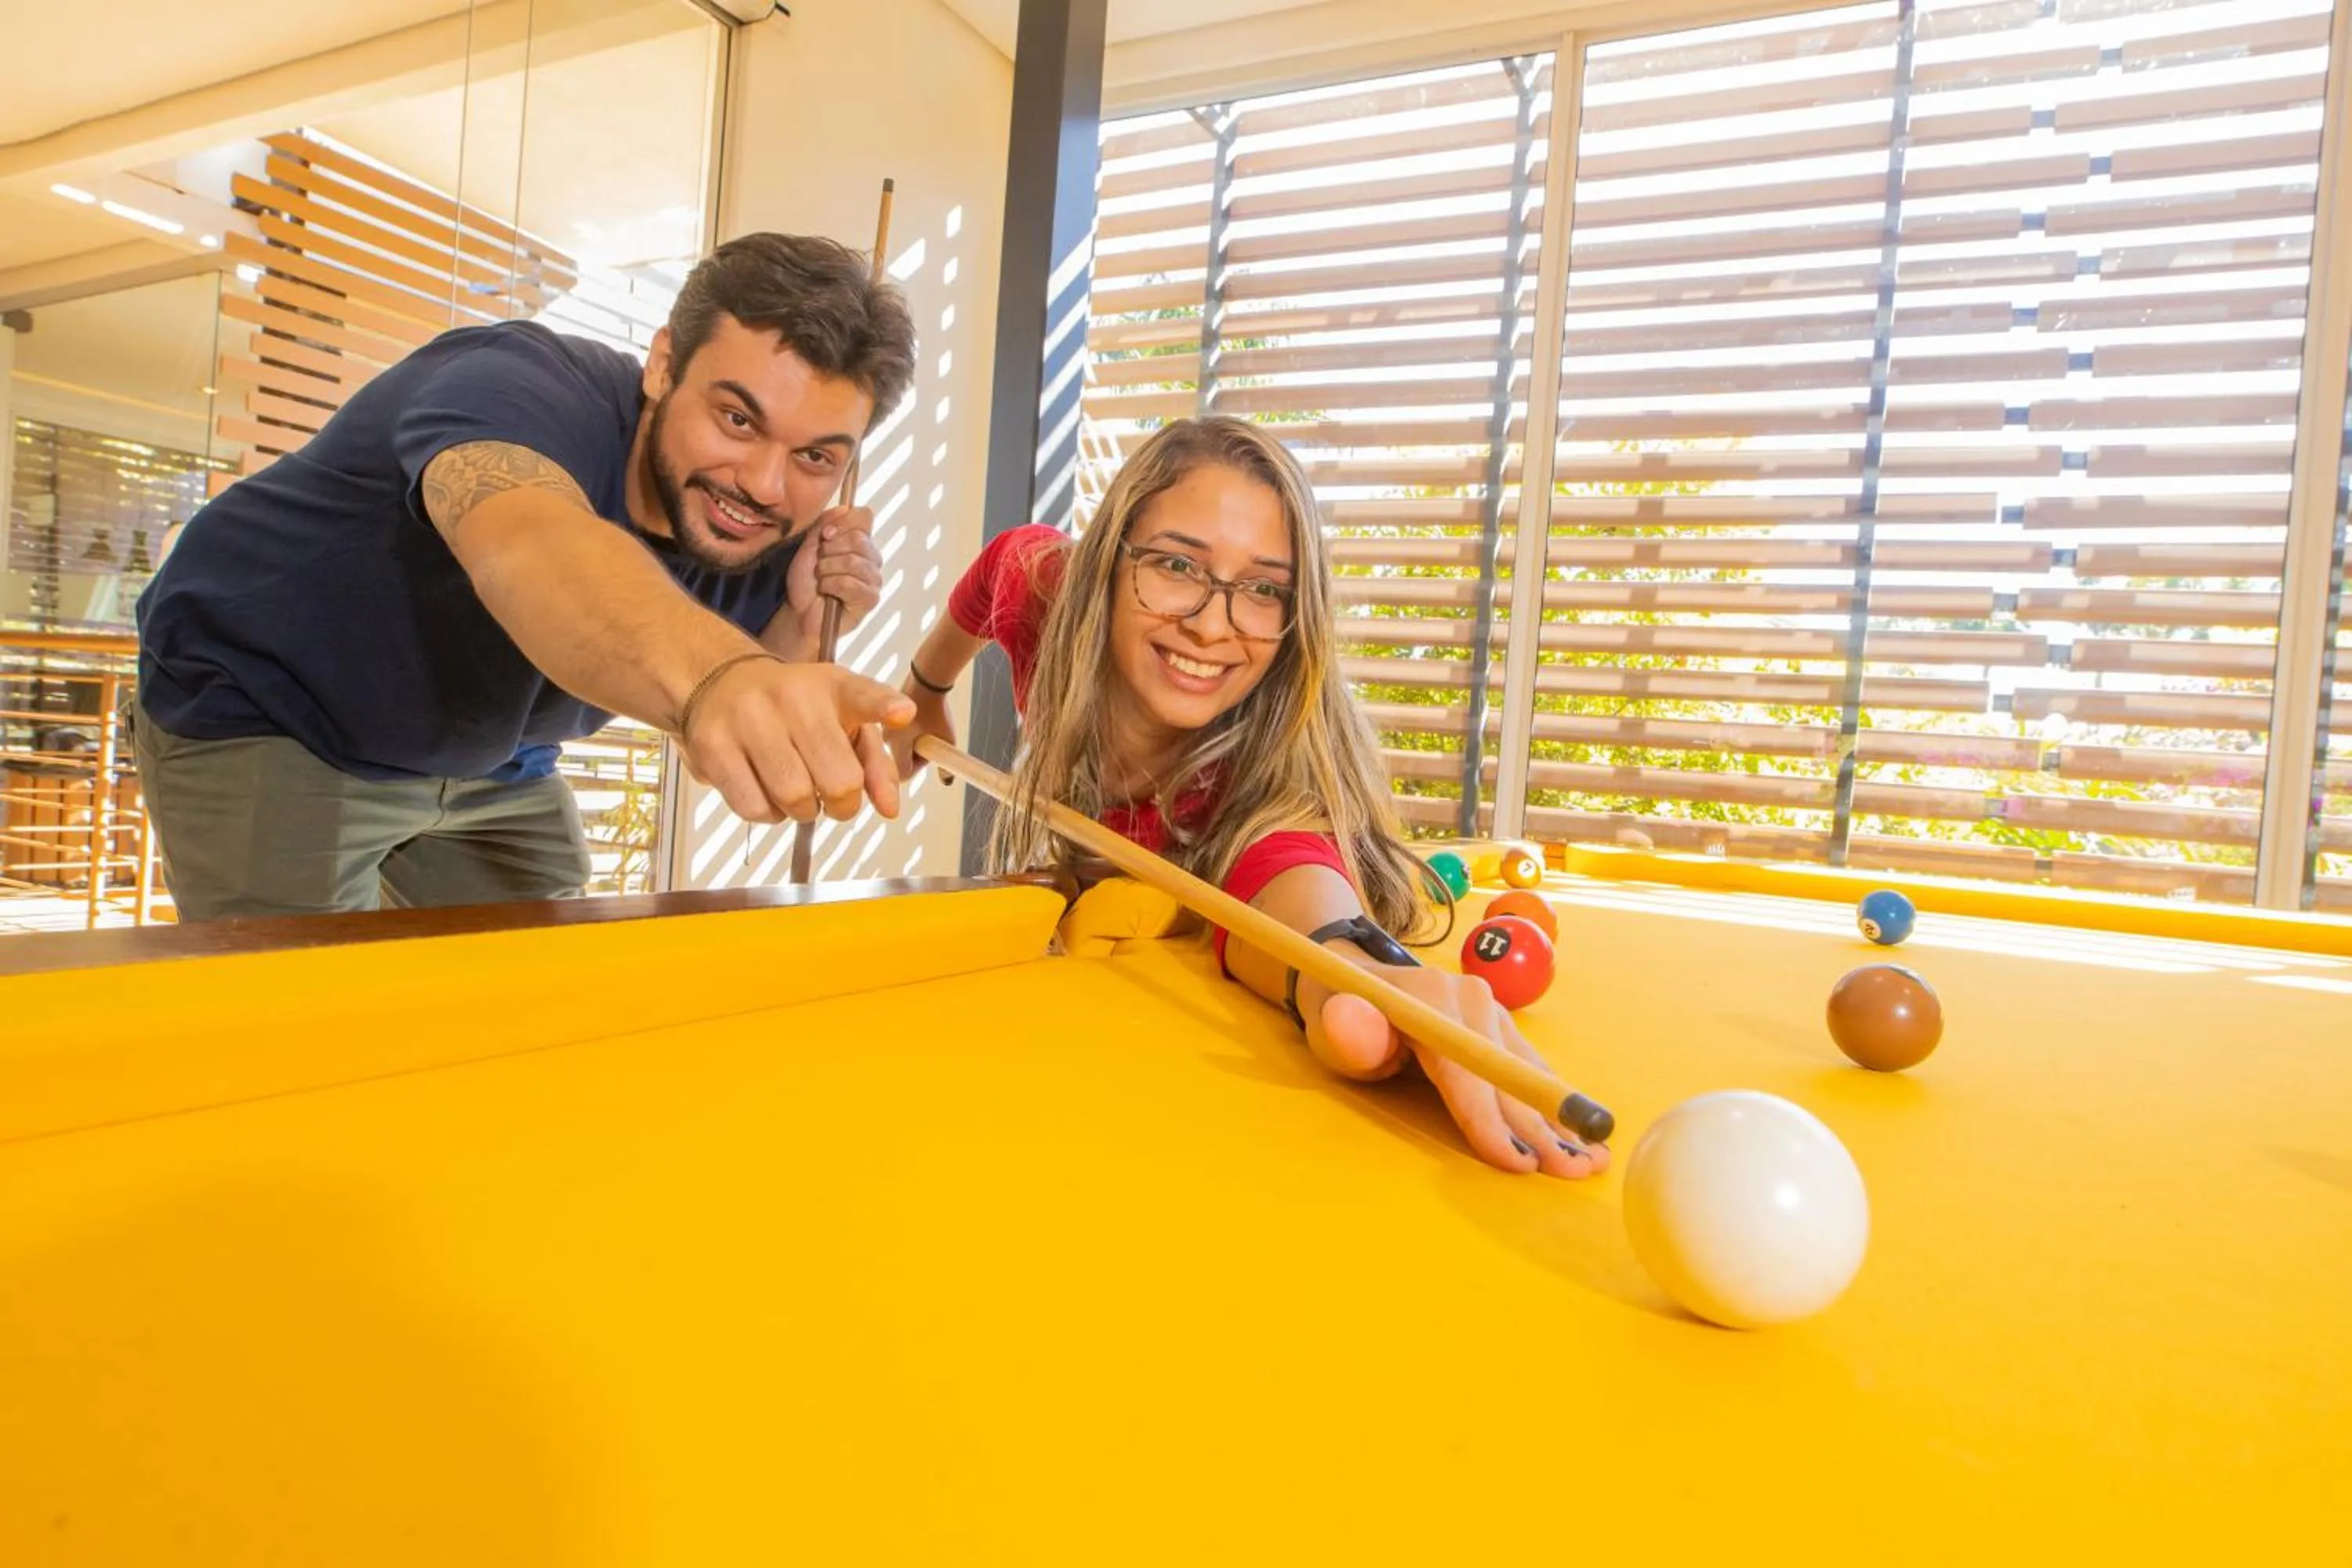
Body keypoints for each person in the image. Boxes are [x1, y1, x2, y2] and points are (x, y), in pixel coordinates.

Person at [891, 418, 1607, 1178]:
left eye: (1264, 589)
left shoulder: (1264, 779)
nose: (1211, 626)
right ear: (1107, 560)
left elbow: (1294, 888)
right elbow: (991, 573)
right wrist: (924, 692)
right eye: (1177, 564)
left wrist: (1351, 973)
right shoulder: (1044, 587)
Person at [133, 234, 918, 920]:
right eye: (737, 420)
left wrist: (796, 630)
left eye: (815, 455)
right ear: (662, 366)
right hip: (277, 708)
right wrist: (723, 671)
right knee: (309, 1019)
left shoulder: (778, 534)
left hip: (494, 760)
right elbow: (525, 544)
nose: (765, 484)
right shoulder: (516, 382)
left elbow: (714, 733)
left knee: (555, 1002)